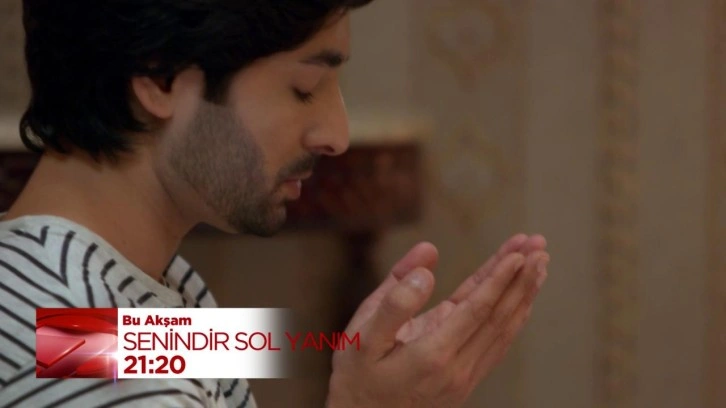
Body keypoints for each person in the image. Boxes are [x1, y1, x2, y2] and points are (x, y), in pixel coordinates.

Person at [0, 1, 551, 407]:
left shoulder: (69, 298)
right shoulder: (99, 382)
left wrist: (364, 358)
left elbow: (185, 357)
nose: (336, 135)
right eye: (304, 88)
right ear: (160, 79)